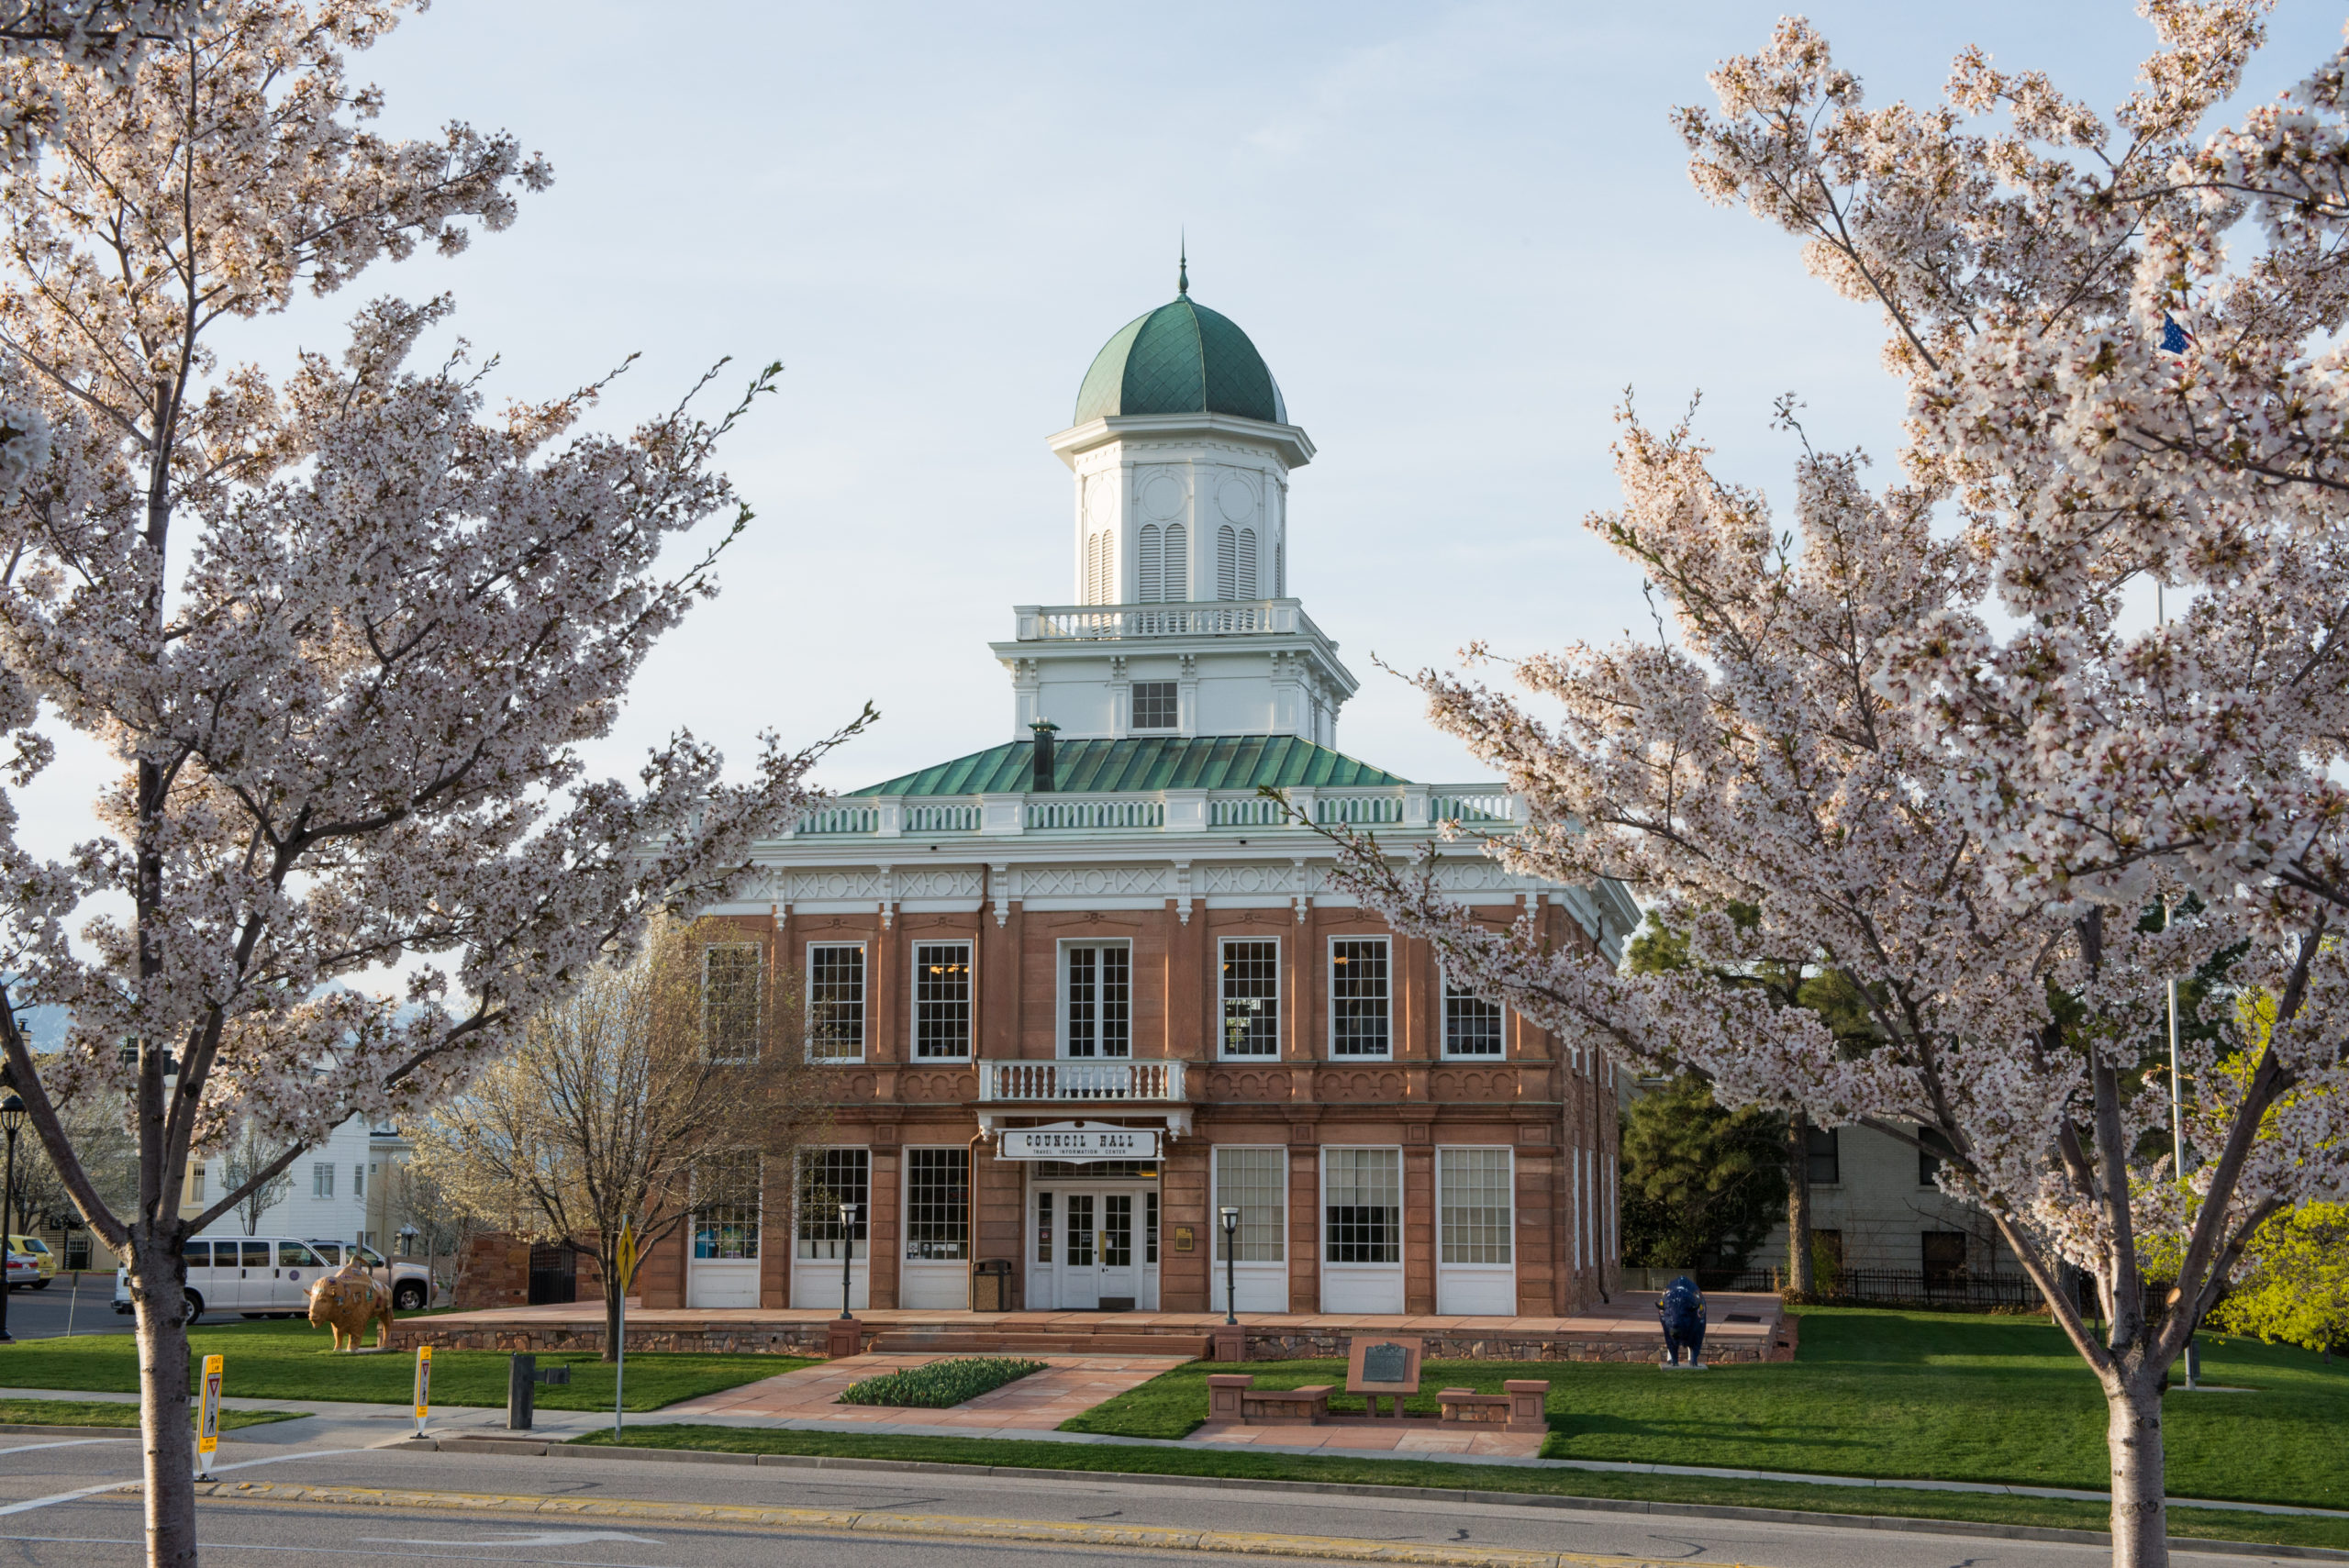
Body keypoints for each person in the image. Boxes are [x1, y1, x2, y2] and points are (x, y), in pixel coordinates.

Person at [1658, 1275, 1708, 1368]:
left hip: (1690, 1321)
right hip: (1671, 1321)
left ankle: (1692, 1358)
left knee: (1696, 1334)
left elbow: (1699, 1332)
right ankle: (1672, 1357)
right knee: (1671, 1336)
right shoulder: (1666, 1305)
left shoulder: (1698, 1306)